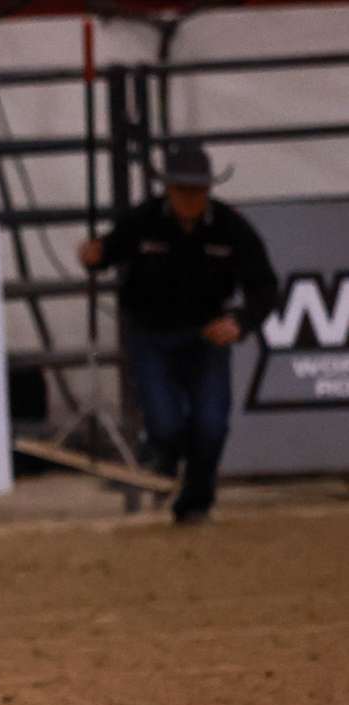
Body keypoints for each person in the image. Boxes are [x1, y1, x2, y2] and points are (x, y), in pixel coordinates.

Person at [78, 139, 277, 524]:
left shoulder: (232, 228)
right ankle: (163, 458)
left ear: (209, 189)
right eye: (183, 188)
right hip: (150, 336)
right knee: (165, 422)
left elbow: (265, 286)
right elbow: (106, 251)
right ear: (167, 187)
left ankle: (195, 503)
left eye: (198, 189)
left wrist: (241, 321)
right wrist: (93, 254)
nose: (191, 198)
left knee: (212, 423)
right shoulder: (142, 220)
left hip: (207, 337)